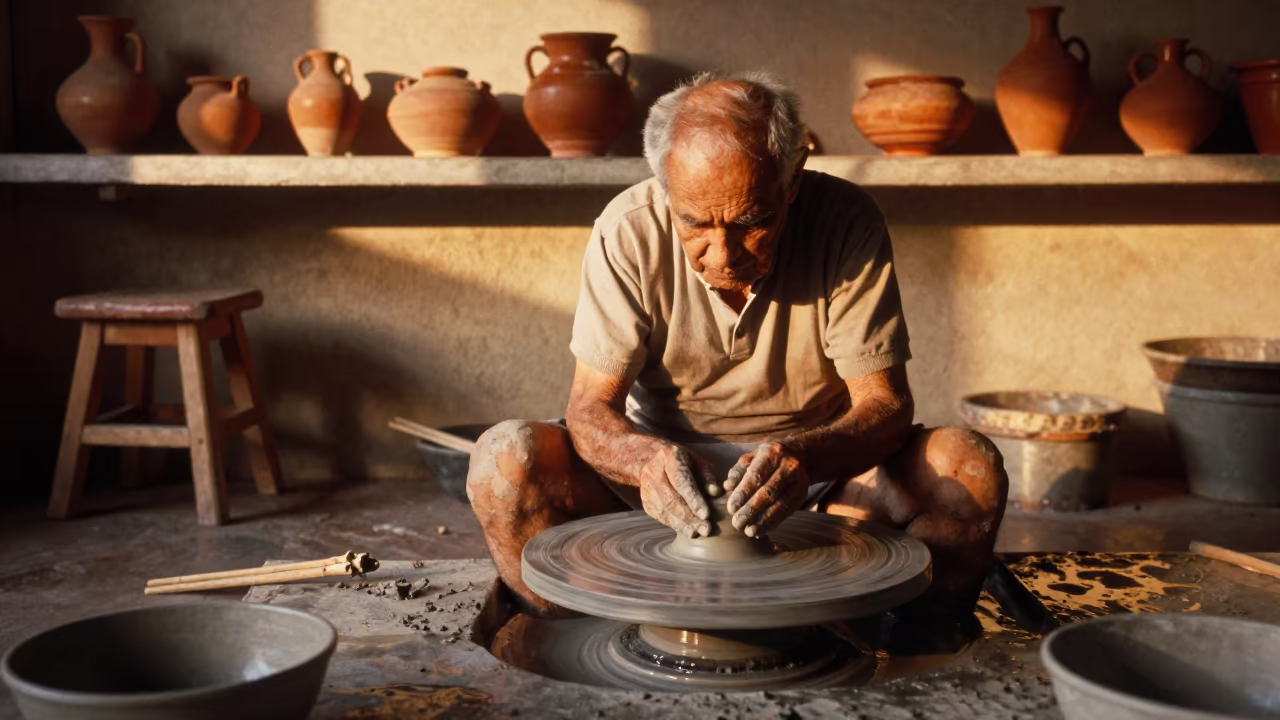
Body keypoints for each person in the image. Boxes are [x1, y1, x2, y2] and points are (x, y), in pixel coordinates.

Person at [467, 71, 1008, 621]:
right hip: (657, 488)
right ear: (665, 187)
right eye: (695, 223)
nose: (722, 256)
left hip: (822, 481)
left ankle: (905, 657)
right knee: (504, 460)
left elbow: (887, 404)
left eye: (753, 221)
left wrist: (804, 457)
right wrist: (646, 461)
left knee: (967, 467)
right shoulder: (627, 230)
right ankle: (566, 648)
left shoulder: (845, 222)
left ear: (791, 181)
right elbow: (588, 410)